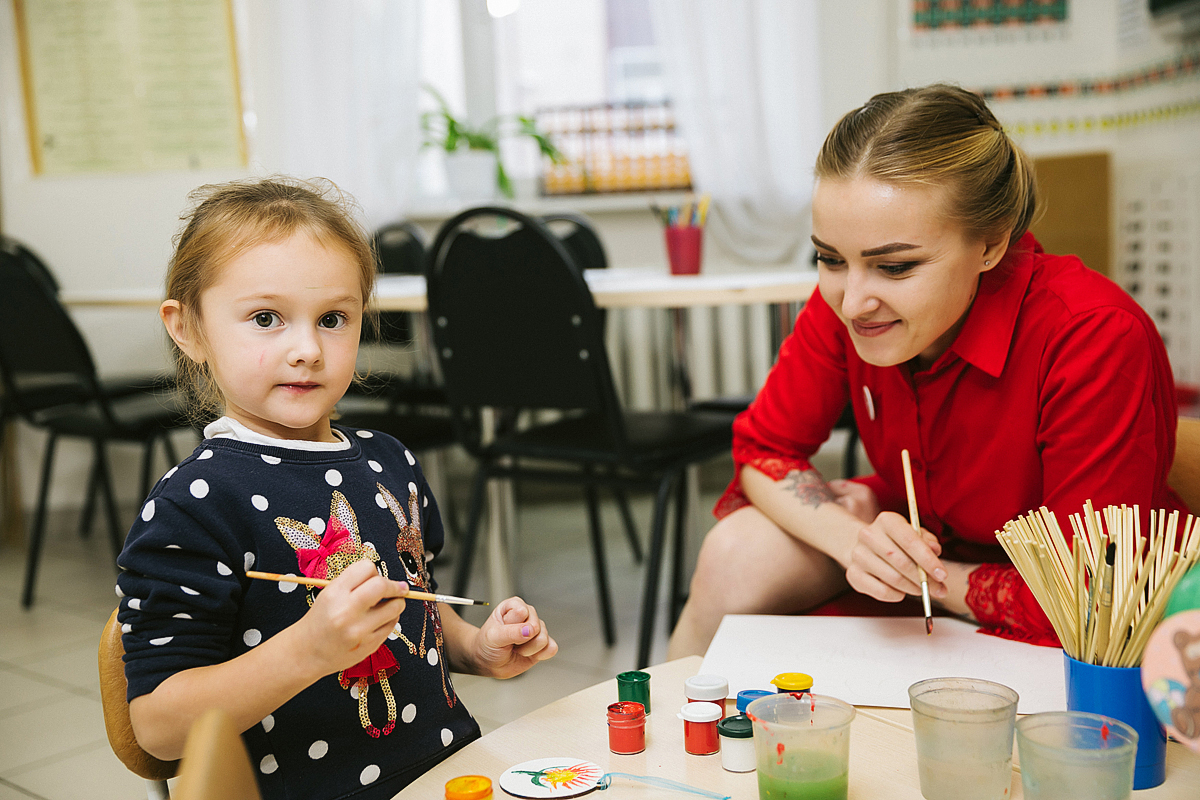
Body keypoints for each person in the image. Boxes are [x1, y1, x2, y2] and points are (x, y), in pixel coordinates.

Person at [668, 84, 1186, 659]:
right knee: (731, 553)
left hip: (1069, 610)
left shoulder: (1092, 336)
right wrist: (856, 540)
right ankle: (663, 732)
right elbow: (764, 449)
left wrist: (926, 575)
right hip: (927, 560)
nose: (854, 300)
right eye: (830, 258)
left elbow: (1090, 598)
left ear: (990, 243)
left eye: (894, 266)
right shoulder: (848, 305)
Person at [118, 177, 558, 799]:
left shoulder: (390, 461)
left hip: (446, 777)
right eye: (266, 319)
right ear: (188, 329)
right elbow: (158, 729)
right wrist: (309, 649)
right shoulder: (194, 503)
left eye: (332, 319)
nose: (306, 350)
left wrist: (477, 649)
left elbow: (419, 615)